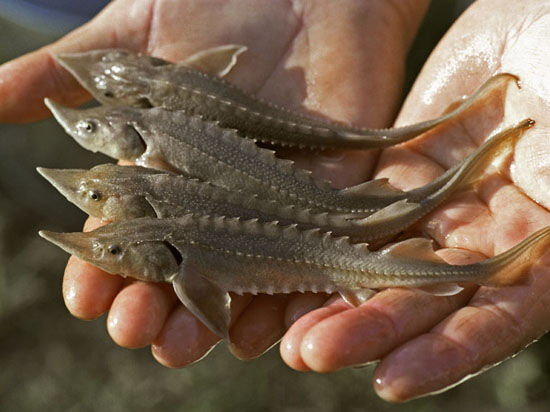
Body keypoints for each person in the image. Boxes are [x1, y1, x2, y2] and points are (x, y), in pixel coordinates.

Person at [1, 0, 549, 402]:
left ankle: (488, 234)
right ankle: (481, 235)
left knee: (373, 216)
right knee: (370, 224)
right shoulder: (154, 175)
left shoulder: (160, 182)